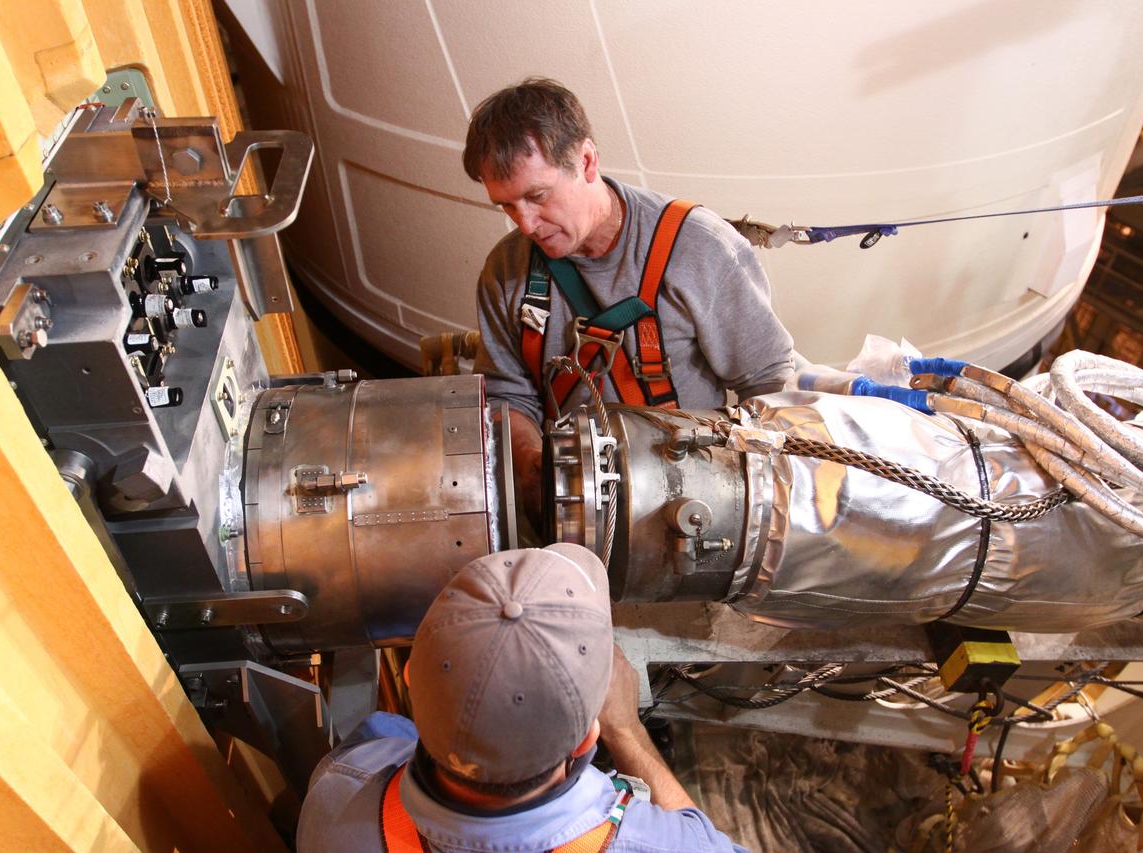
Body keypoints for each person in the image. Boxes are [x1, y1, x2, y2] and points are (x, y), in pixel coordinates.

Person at [465, 78, 794, 520]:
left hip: (696, 507)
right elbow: (508, 395)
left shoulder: (697, 247)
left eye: (536, 196)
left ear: (585, 161)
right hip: (574, 509)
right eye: (506, 206)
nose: (524, 224)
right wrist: (535, 477)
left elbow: (768, 384)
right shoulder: (506, 271)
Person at [296, 544, 745, 852]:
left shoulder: (340, 788)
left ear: (410, 677)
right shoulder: (653, 843)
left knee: (382, 729)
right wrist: (626, 731)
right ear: (587, 740)